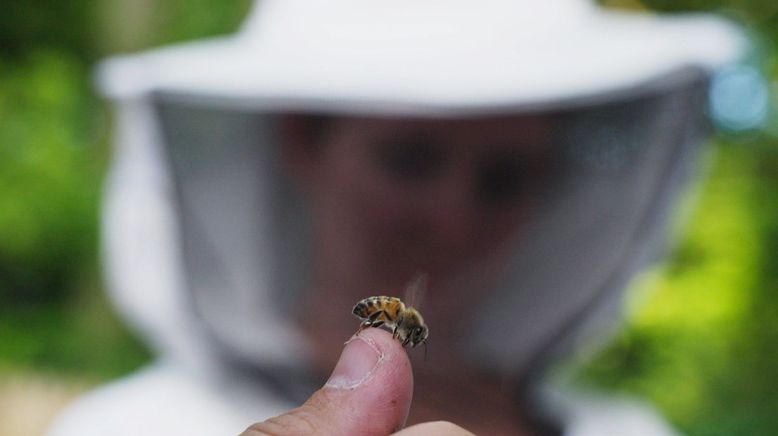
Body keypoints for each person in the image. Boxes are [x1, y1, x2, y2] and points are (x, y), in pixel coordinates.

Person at [47, 0, 746, 434]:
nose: (454, 218)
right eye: (410, 158)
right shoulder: (138, 426)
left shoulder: (622, 427)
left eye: (505, 178)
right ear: (303, 141)